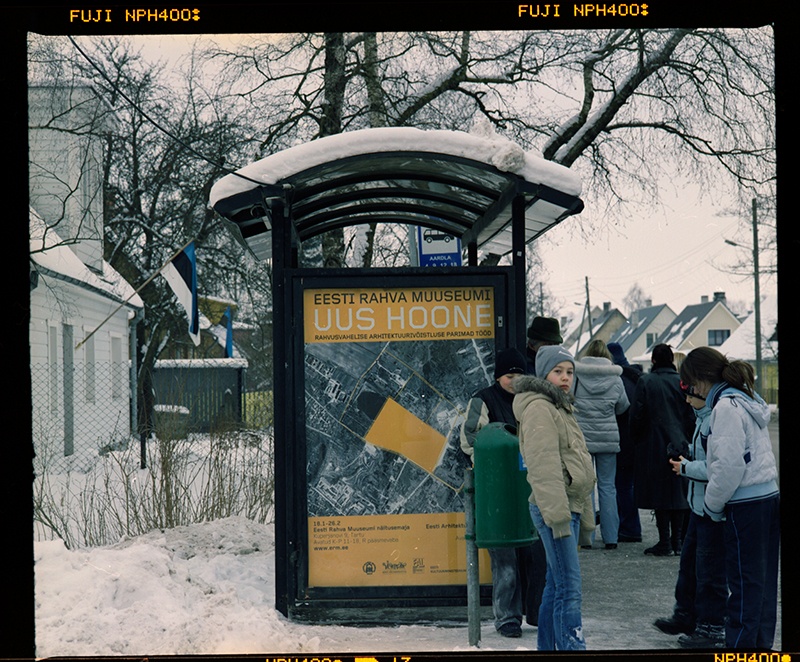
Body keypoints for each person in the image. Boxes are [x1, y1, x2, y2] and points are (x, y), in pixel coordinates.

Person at [679, 347, 779, 649]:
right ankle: (760, 646)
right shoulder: (747, 400)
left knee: (743, 583)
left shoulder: (724, 407)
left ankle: (741, 649)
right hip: (768, 496)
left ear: (699, 380)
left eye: (689, 383)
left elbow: (726, 468)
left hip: (744, 503)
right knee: (761, 583)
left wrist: (711, 506)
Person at [512, 345, 595, 650]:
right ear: (544, 373)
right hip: (554, 510)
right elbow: (543, 467)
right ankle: (572, 649)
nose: (565, 378)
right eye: (558, 371)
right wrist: (559, 518)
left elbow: (577, 461)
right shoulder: (539, 409)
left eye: (570, 372)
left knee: (556, 584)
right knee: (569, 587)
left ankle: (547, 648)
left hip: (566, 506)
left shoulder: (560, 407)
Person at [460, 347, 546, 638]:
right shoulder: (483, 400)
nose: (514, 381)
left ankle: (535, 612)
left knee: (536, 554)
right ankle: (507, 617)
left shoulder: (532, 401)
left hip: (530, 486)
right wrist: (493, 466)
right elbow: (470, 438)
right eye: (509, 376)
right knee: (505, 558)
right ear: (499, 376)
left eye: (519, 376)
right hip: (498, 490)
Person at [652, 379, 727, 648]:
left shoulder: (716, 419)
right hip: (698, 506)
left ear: (704, 389)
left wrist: (685, 467)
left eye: (689, 394)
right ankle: (686, 614)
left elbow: (717, 467)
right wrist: (686, 453)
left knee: (710, 572)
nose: (686, 400)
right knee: (690, 566)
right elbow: (708, 457)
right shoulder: (703, 417)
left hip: (711, 507)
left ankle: (712, 626)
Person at [629, 344, 694, 556]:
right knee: (679, 491)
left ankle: (664, 542)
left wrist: (636, 439)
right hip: (681, 442)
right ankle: (678, 542)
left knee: (660, 493)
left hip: (653, 444)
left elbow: (637, 415)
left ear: (654, 361)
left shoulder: (646, 381)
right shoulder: (681, 382)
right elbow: (690, 414)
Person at [573, 339, 630, 550]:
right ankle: (611, 538)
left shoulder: (577, 376)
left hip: (583, 440)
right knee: (608, 487)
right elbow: (623, 406)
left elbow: (569, 401)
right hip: (608, 439)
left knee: (586, 487)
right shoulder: (615, 378)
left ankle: (587, 538)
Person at [607, 342, 643, 543]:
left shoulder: (616, 380)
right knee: (625, 485)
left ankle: (628, 527)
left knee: (619, 486)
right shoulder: (636, 378)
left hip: (619, 439)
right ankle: (630, 526)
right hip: (634, 440)